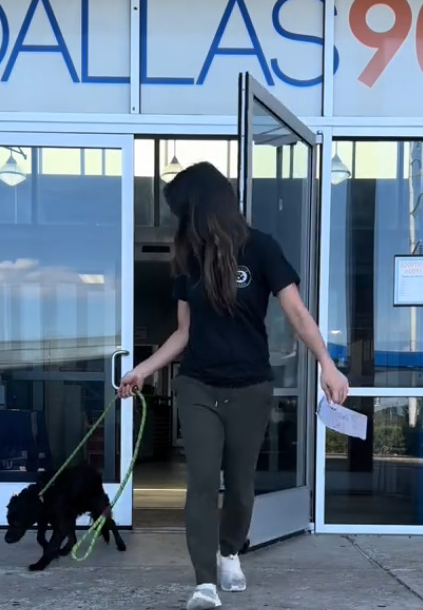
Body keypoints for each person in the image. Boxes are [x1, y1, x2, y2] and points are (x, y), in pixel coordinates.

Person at [119, 162, 349, 609]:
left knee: (241, 488)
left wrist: (328, 363)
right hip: (199, 384)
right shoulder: (188, 259)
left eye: (182, 211)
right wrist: (143, 370)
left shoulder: (261, 249)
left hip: (250, 388)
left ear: (201, 206)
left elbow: (297, 314)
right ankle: (204, 581)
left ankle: (229, 552)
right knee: (202, 481)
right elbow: (184, 332)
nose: (179, 222)